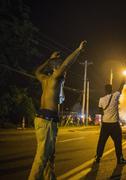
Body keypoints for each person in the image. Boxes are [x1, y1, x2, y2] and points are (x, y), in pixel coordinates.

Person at [29, 41, 87, 180]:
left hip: (44, 118)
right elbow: (67, 64)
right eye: (60, 67)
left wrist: (49, 59)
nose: (64, 71)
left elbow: (37, 71)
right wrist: (78, 50)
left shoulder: (45, 79)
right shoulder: (55, 77)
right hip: (48, 120)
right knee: (42, 157)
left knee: (50, 156)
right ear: (57, 68)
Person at [95, 80, 126, 164]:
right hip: (114, 125)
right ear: (111, 90)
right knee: (118, 142)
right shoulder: (115, 96)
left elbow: (100, 111)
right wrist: (123, 80)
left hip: (105, 124)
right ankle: (120, 159)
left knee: (101, 142)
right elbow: (120, 88)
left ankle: (98, 157)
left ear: (105, 90)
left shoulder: (101, 99)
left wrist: (106, 113)